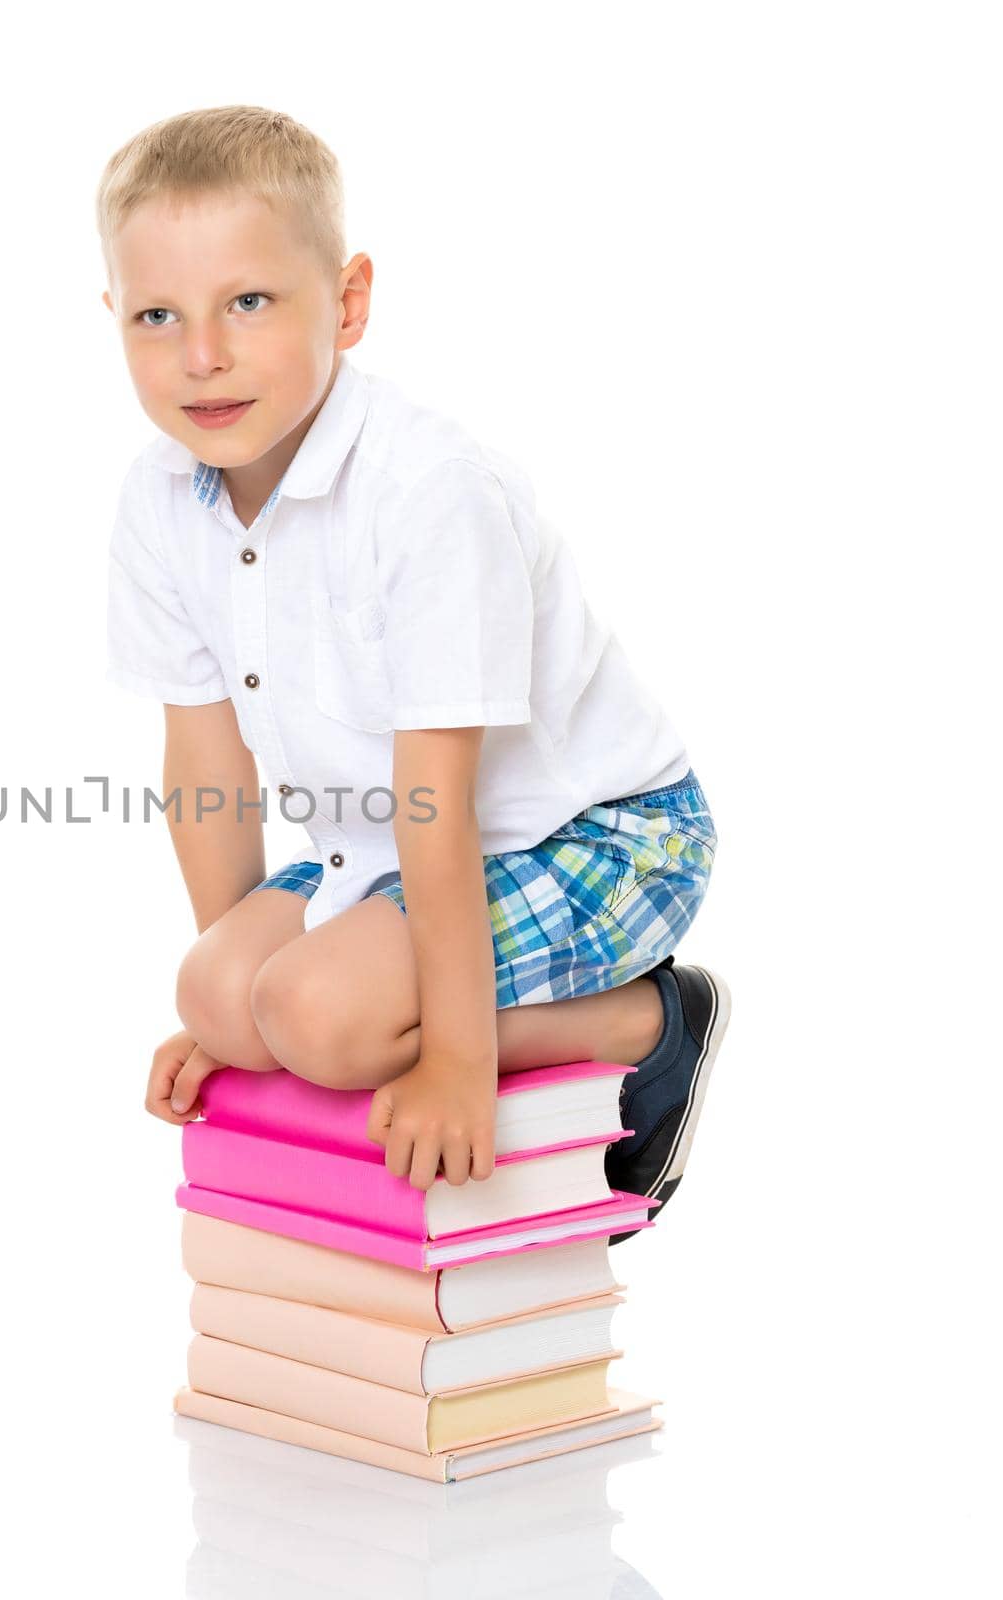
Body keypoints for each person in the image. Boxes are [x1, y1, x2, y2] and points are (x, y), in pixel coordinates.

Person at [96, 106, 729, 1243]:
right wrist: (235, 1017)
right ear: (113, 320)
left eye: (248, 302)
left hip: (597, 834)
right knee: (218, 991)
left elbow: (439, 793)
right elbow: (202, 756)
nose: (201, 355)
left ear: (344, 301)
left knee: (323, 1022)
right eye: (157, 315)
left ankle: (650, 1019)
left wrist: (452, 1055)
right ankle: (306, 1007)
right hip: (390, 843)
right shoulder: (158, 497)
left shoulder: (427, 489)